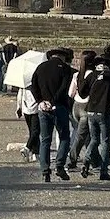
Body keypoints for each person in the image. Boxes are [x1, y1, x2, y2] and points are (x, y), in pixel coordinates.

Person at [31, 48, 75, 182]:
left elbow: (33, 86)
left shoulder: (41, 67)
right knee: (64, 137)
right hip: (59, 106)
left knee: (45, 139)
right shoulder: (66, 69)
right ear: (63, 57)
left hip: (43, 107)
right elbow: (64, 88)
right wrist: (53, 101)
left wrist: (40, 101)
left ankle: (45, 170)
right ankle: (59, 165)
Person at [78, 54, 110, 181]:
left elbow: (83, 93)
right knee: (105, 141)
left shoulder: (92, 75)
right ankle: (103, 171)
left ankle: (86, 160)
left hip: (90, 110)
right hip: (104, 111)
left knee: (94, 139)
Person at [67, 50, 96, 169]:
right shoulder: (94, 75)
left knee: (86, 134)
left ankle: (94, 160)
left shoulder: (77, 74)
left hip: (76, 106)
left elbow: (70, 93)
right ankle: (72, 160)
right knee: (82, 136)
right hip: (87, 106)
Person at [16, 83, 40, 161]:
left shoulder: (23, 82)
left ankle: (35, 153)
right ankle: (27, 148)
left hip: (26, 108)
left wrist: (19, 107)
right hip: (36, 109)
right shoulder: (37, 80)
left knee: (32, 132)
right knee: (35, 132)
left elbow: (20, 95)